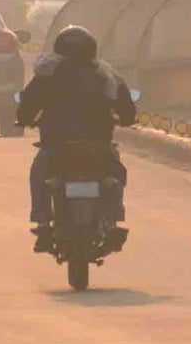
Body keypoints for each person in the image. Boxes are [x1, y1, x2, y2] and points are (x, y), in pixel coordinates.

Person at [16, 26, 137, 253]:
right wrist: (127, 119)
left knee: (39, 173)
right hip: (98, 144)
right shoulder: (105, 73)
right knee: (115, 174)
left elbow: (28, 105)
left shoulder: (47, 73)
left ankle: (42, 224)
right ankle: (112, 220)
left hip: (57, 145)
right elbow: (126, 108)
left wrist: (24, 120)